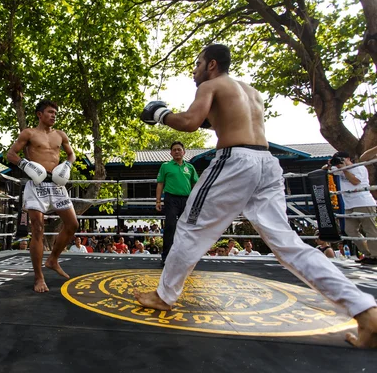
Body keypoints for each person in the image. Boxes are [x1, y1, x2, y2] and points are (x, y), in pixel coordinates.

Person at [136, 43, 377, 348]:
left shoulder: (211, 84)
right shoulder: (251, 92)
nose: (194, 72)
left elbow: (189, 122)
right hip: (266, 162)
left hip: (235, 162)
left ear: (211, 64)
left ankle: (164, 295)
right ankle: (365, 311)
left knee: (189, 227)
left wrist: (161, 114)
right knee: (288, 244)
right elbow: (220, 121)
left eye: (197, 64)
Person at [7, 99, 79, 293]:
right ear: (40, 114)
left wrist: (68, 165)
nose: (53, 115)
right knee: (37, 229)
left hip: (56, 185)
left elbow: (71, 155)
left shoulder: (60, 135)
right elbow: (11, 154)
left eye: (55, 112)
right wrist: (25, 164)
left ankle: (53, 259)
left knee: (73, 225)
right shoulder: (29, 133)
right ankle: (39, 277)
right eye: (49, 112)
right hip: (36, 185)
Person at [327, 151, 377, 265]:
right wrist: (330, 164)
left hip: (363, 202)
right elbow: (326, 169)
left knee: (369, 229)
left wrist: (345, 169)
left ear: (348, 158)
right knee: (350, 230)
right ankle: (367, 253)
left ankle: (375, 255)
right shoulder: (338, 169)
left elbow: (355, 182)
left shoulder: (358, 167)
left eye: (340, 159)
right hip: (349, 204)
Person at [156, 141, 199, 265]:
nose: (176, 152)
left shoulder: (190, 167)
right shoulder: (165, 166)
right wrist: (158, 201)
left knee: (186, 228)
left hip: (187, 200)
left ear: (184, 152)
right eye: (174, 150)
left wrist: (196, 200)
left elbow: (195, 184)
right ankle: (166, 256)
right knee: (170, 226)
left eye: (179, 149)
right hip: (170, 199)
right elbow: (160, 184)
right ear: (171, 153)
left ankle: (185, 257)